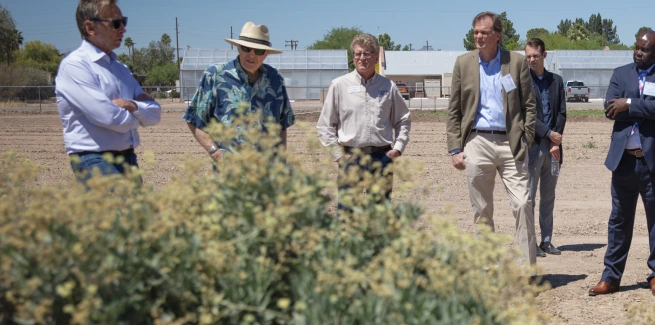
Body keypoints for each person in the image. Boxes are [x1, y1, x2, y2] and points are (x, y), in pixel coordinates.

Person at [588, 30, 655, 297]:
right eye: (637, 48)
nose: (638, 53)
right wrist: (645, 110)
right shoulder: (621, 73)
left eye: (645, 50)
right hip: (624, 160)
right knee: (618, 220)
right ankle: (611, 277)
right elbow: (610, 109)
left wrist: (629, 104)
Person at [446, 12, 538, 269]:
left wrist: (527, 137)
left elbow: (529, 105)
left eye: (484, 32)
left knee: (523, 204)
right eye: (476, 32)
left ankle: (529, 271)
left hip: (512, 143)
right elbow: (454, 109)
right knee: (482, 209)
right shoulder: (463, 63)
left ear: (497, 35)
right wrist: (455, 148)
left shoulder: (516, 62)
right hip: (477, 141)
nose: (478, 36)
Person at [56, 0, 161, 187]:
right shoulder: (75, 66)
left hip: (128, 160)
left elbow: (155, 113)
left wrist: (131, 105)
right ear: (90, 27)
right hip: (95, 161)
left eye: (123, 22)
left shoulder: (121, 69)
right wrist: (139, 117)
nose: (123, 29)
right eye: (115, 23)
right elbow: (109, 117)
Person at [317, 33, 410, 204]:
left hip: (381, 157)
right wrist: (339, 155)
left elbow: (403, 119)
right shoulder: (339, 85)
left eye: (367, 53)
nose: (362, 58)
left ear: (376, 57)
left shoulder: (388, 86)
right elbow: (325, 125)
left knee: (380, 212)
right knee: (348, 212)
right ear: (353, 56)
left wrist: (398, 148)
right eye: (358, 53)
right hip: (350, 157)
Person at [184, 22, 293, 164]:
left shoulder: (275, 78)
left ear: (266, 54)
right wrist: (215, 152)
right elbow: (194, 119)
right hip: (231, 171)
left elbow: (282, 125)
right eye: (246, 48)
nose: (251, 55)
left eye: (258, 51)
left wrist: (282, 161)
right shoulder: (215, 75)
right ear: (238, 48)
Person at [523, 37, 567, 257]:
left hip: (553, 149)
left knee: (548, 197)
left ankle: (546, 241)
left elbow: (561, 113)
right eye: (528, 56)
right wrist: (549, 134)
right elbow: (526, 115)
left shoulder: (556, 81)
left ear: (544, 55)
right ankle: (530, 243)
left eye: (535, 56)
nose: (531, 60)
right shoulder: (523, 82)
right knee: (529, 198)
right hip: (532, 147)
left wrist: (554, 141)